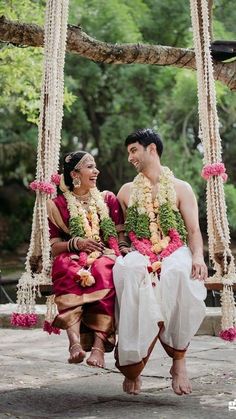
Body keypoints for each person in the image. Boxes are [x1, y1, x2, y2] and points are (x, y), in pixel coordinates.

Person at [113, 128, 207, 396]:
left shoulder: (181, 188)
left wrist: (198, 256)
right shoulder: (126, 192)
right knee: (130, 270)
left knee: (178, 272)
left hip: (174, 249)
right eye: (128, 152)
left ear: (151, 149)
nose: (130, 157)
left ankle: (179, 361)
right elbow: (118, 228)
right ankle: (133, 365)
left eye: (134, 150)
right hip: (139, 251)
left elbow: (193, 231)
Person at [47, 151, 124, 368]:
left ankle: (99, 347)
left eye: (95, 166)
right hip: (72, 255)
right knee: (65, 266)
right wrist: (76, 243)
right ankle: (74, 344)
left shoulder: (108, 199)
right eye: (90, 166)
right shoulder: (58, 204)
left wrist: (118, 250)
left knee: (104, 270)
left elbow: (119, 238)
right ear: (74, 174)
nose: (96, 171)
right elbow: (54, 247)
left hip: (104, 254)